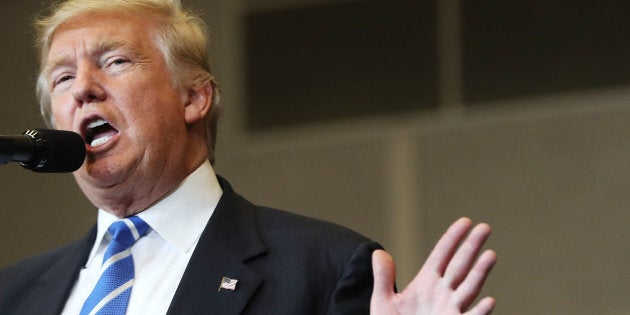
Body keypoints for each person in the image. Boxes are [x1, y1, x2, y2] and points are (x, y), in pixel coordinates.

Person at [0, 0, 496, 314]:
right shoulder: (13, 293)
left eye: (116, 62)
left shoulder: (323, 269)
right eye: (62, 77)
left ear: (194, 98)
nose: (83, 88)